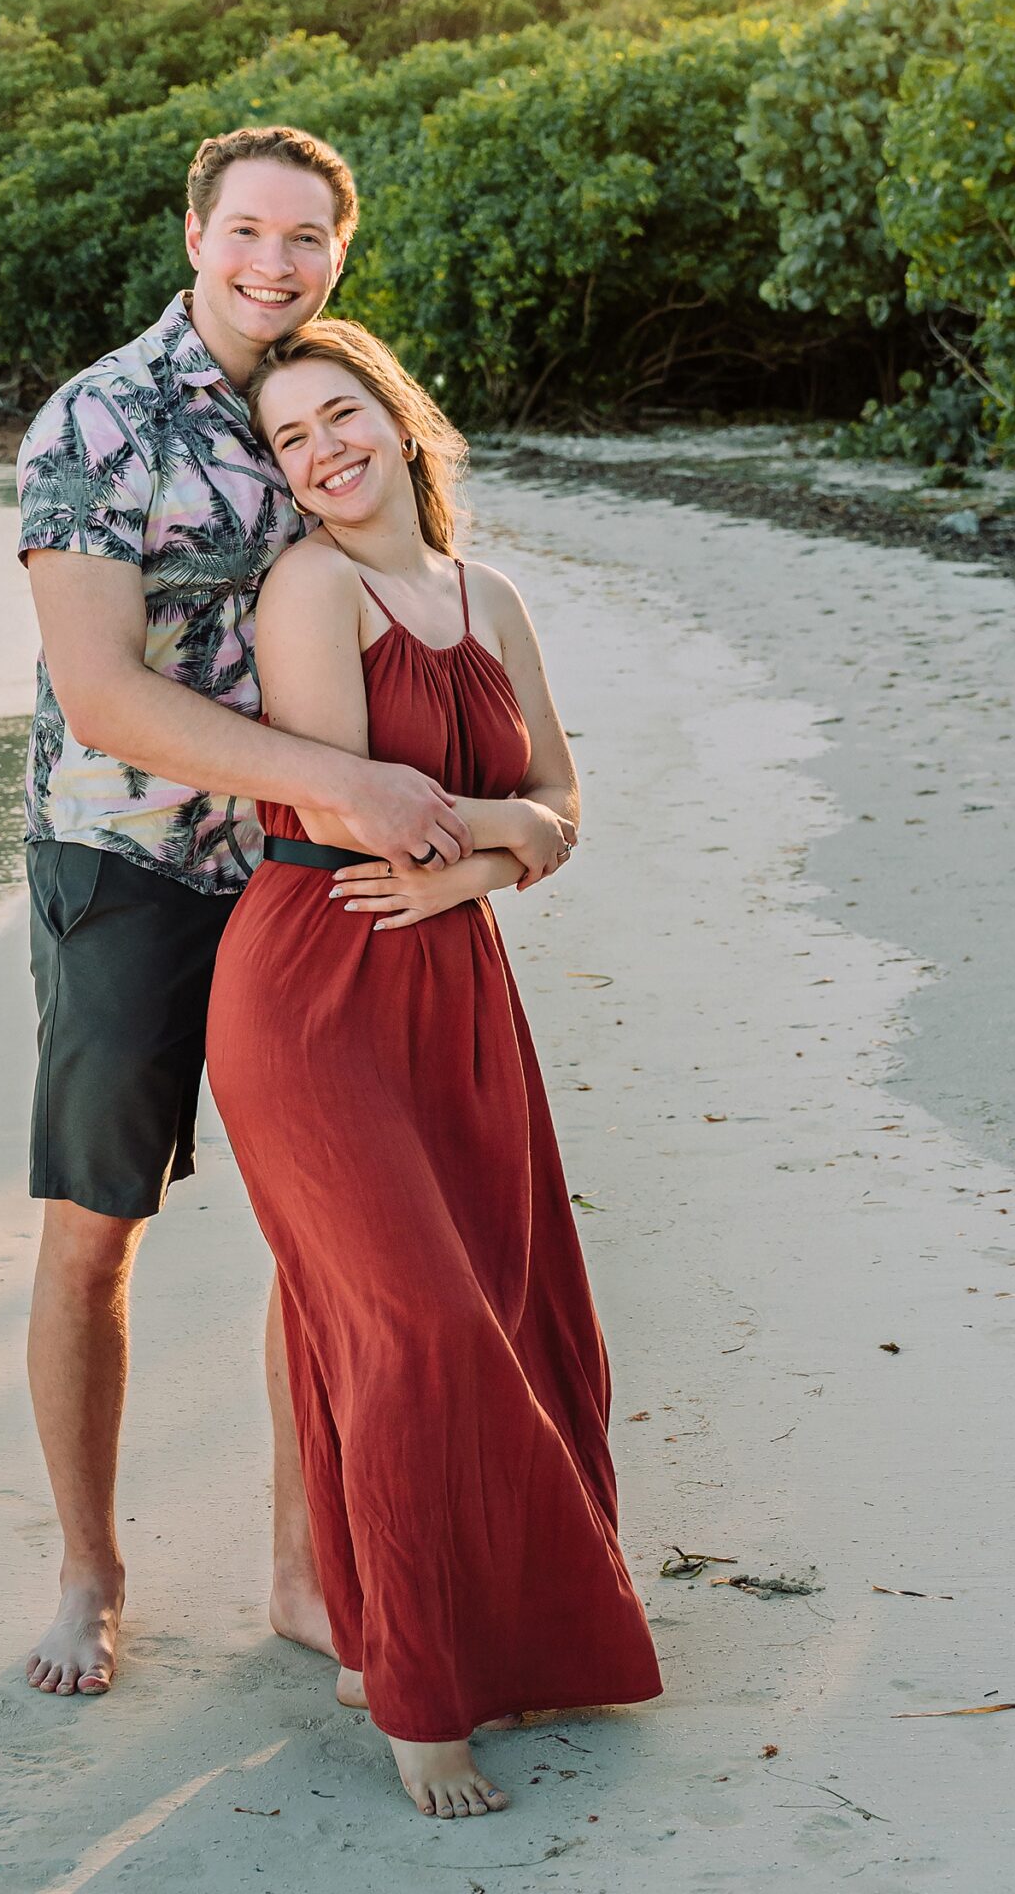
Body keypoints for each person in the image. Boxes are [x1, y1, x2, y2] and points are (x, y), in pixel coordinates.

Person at [15, 129, 573, 1701]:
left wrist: (472, 822)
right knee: (97, 1223)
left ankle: (300, 1571)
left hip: (309, 883)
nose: (275, 261)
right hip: (129, 860)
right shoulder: (98, 421)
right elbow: (102, 690)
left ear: (338, 248)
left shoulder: (317, 400)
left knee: (327, 1236)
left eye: (307, 237)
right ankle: (89, 1572)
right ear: (194, 231)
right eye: (248, 231)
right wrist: (349, 785)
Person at [206, 318, 662, 1821]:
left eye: (340, 416)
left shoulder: (490, 597)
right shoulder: (309, 586)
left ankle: (479, 1634)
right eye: (289, 440)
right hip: (319, 986)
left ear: (398, 420)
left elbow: (558, 795)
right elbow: (350, 810)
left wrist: (491, 869)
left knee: (514, 1310)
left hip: (454, 976)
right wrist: (503, 841)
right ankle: (418, 1693)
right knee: (407, 1327)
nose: (324, 450)